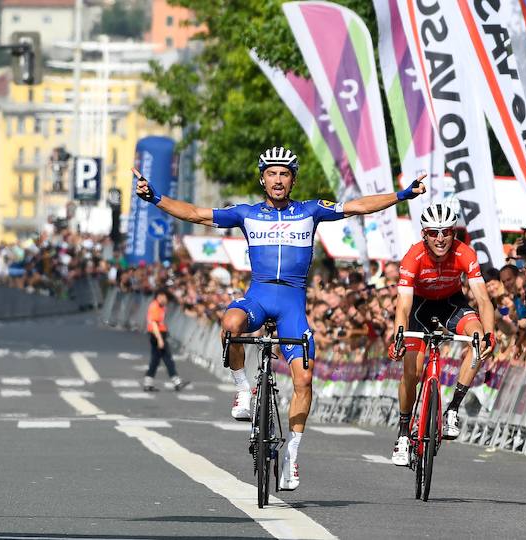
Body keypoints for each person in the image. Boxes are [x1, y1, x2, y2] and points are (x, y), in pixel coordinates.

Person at [133, 146, 425, 491]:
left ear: (292, 179)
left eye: (284, 173)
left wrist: (403, 194)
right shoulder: (246, 213)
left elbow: (359, 206)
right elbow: (196, 213)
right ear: (262, 178)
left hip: (292, 306)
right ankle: (243, 389)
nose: (277, 179)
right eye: (271, 173)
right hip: (258, 297)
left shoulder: (311, 210)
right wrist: (154, 197)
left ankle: (292, 457)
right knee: (230, 325)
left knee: (304, 380)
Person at [388, 203, 495, 466]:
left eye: (446, 232)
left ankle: (452, 410)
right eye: (433, 232)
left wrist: (490, 334)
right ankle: (403, 434)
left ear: (453, 233)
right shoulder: (413, 257)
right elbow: (402, 304)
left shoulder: (464, 253)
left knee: (478, 340)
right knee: (411, 372)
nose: (440, 238)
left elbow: (483, 299)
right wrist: (398, 337)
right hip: (419, 308)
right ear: (424, 233)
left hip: (451, 304)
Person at [143, 289, 188, 392]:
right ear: (160, 296)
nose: (167, 300)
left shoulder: (161, 306)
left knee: (155, 360)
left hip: (159, 334)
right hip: (157, 335)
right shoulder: (155, 307)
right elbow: (154, 324)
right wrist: (159, 339)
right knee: (167, 358)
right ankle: (176, 381)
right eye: (166, 298)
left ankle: (148, 383)